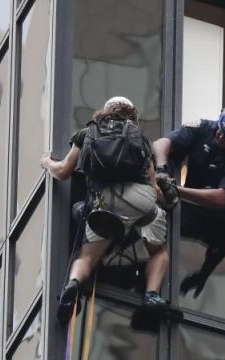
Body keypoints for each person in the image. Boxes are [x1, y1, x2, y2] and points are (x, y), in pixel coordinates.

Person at [40, 97, 169, 321]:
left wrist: (46, 162)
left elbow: (62, 172)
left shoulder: (87, 133)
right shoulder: (140, 138)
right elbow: (154, 188)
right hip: (140, 200)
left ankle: (74, 285)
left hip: (105, 203)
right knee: (158, 250)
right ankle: (151, 295)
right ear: (133, 116)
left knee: (87, 257)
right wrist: (168, 198)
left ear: (105, 112)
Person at [152, 103, 225, 297]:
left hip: (215, 222)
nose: (220, 135)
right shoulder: (205, 127)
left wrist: (177, 190)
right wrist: (161, 170)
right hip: (183, 209)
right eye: (220, 128)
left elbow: (222, 199)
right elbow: (160, 144)